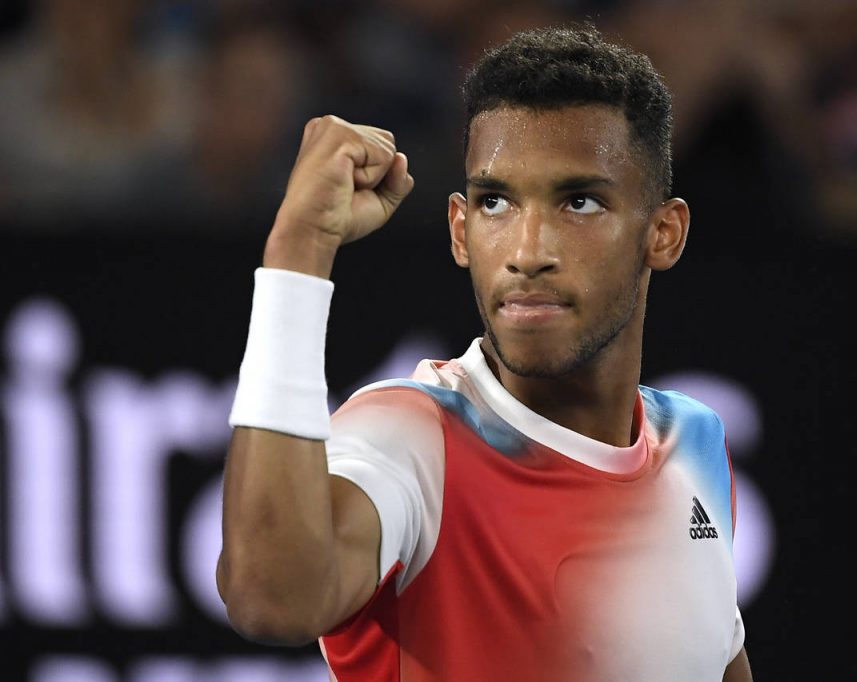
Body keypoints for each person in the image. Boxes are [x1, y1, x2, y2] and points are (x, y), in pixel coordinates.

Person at [217, 22, 753, 682]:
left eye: (579, 202)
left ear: (663, 234)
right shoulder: (411, 437)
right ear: (460, 230)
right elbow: (271, 599)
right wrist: (297, 251)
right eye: (495, 202)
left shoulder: (696, 441)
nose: (528, 252)